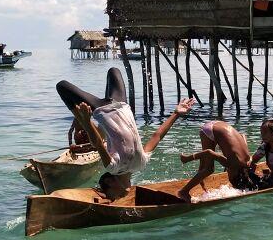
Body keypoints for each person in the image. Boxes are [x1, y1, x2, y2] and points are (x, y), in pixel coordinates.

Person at [56, 67, 195, 199]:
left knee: (62, 86)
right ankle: (98, 123)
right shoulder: (141, 163)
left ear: (110, 182)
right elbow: (157, 136)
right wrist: (176, 113)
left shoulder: (113, 167)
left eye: (113, 195)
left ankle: (83, 117)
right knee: (114, 71)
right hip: (122, 105)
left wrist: (85, 121)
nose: (118, 198)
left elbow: (98, 144)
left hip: (102, 110)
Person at [178, 120, 259, 199]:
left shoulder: (248, 159)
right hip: (209, 131)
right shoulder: (233, 164)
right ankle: (183, 192)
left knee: (205, 166)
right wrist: (188, 158)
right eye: (229, 175)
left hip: (218, 123)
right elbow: (208, 152)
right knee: (209, 169)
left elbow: (243, 135)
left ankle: (200, 177)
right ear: (235, 174)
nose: (227, 172)